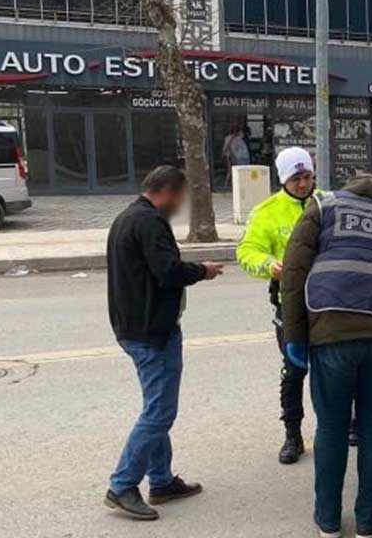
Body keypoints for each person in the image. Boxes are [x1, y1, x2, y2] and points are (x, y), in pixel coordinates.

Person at [281, 174, 372, 538]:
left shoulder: (323, 207)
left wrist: (294, 336)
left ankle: (328, 522)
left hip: (332, 329)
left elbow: (294, 273)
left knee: (331, 428)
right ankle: (367, 521)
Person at [103, 166, 224, 521]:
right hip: (152, 332)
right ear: (167, 191)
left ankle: (161, 480)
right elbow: (168, 271)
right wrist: (203, 270)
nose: (181, 204)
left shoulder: (128, 217)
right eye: (181, 197)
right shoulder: (149, 222)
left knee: (155, 406)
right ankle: (122, 484)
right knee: (159, 412)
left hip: (135, 327)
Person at [235, 146, 319, 465]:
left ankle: (346, 424)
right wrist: (270, 265)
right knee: (294, 370)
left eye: (307, 176)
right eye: (296, 178)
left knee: (336, 366)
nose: (303, 183)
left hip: (328, 301)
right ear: (284, 179)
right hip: (292, 305)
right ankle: (293, 435)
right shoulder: (266, 212)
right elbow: (246, 253)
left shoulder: (327, 202)